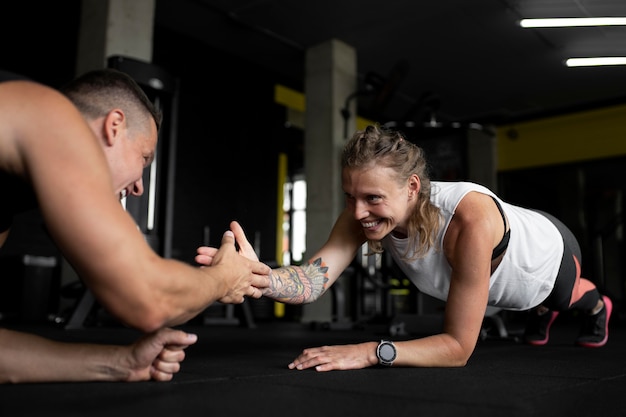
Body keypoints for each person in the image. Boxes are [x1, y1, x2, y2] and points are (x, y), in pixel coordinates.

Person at [197, 124, 612, 370]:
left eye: (373, 199)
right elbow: (311, 281)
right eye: (350, 197)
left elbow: (458, 348)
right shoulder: (364, 215)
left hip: (549, 253)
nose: (358, 213)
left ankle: (595, 306)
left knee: (566, 298)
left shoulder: (469, 222)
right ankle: (540, 313)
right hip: (506, 281)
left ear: (412, 187)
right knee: (527, 306)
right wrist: (259, 276)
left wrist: (368, 351)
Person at [0, 68, 270, 382]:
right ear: (114, 126)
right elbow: (149, 299)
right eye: (144, 158)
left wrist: (120, 363)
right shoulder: (49, 113)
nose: (139, 187)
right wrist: (225, 276)